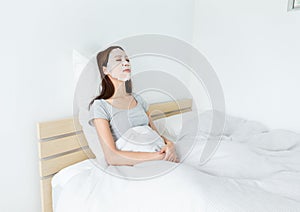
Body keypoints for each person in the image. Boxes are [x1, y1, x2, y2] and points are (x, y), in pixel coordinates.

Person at [88, 46, 179, 166]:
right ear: (105, 70)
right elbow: (112, 157)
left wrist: (170, 145)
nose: (125, 63)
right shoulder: (100, 106)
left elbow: (156, 135)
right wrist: (159, 157)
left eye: (127, 60)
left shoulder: (138, 99)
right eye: (118, 60)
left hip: (159, 154)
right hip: (140, 163)